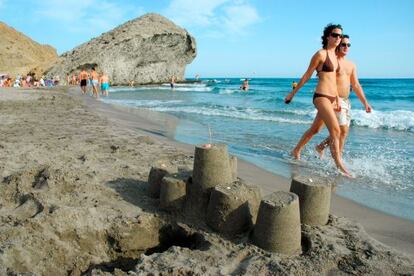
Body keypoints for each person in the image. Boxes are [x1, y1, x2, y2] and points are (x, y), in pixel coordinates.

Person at [284, 23, 352, 177]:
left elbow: (333, 82)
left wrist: (336, 99)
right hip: (320, 97)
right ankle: (339, 164)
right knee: (335, 130)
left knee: (315, 129)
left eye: (340, 36)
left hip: (331, 98)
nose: (338, 38)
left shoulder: (336, 57)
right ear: (327, 36)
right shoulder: (321, 54)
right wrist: (292, 94)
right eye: (335, 35)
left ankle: (296, 150)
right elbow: (307, 75)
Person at [313, 35, 372, 157]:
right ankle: (337, 159)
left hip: (346, 101)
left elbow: (355, 85)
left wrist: (365, 103)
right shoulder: (333, 62)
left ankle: (321, 147)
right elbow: (326, 78)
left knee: (330, 131)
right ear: (338, 45)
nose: (346, 47)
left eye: (348, 45)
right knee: (341, 131)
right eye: (343, 44)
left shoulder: (351, 64)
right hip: (335, 100)